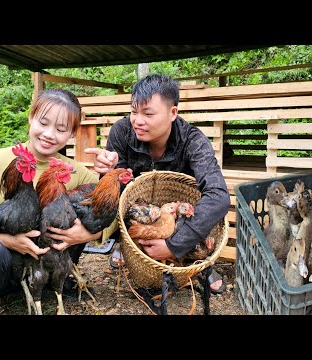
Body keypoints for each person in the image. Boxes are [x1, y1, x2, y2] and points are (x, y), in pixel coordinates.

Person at [0, 88, 115, 315]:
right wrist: (4, 239)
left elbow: (111, 215)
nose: (49, 133)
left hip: (45, 268)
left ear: (72, 133)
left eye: (61, 129)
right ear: (30, 117)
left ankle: (51, 286)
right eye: (43, 122)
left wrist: (89, 234)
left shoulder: (74, 171)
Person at [85, 74, 231, 294]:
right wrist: (111, 172)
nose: (137, 120)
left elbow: (218, 195)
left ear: (173, 113)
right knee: (125, 206)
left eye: (148, 114)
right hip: (140, 215)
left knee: (201, 213)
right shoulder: (122, 132)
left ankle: (198, 264)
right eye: (134, 112)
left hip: (177, 218)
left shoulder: (194, 141)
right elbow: (118, 197)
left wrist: (174, 245)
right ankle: (126, 246)